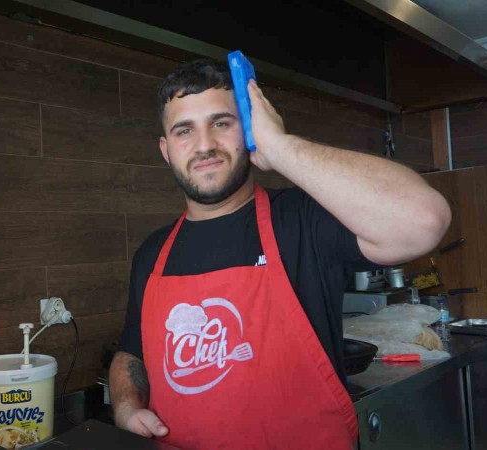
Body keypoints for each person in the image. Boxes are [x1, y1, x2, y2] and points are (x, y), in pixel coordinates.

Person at [109, 59, 451, 450]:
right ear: (166, 150)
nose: (204, 145)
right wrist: (126, 406)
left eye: (221, 123)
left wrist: (280, 146)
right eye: (184, 130)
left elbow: (425, 220)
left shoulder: (303, 220)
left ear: (249, 131)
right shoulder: (153, 253)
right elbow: (132, 352)